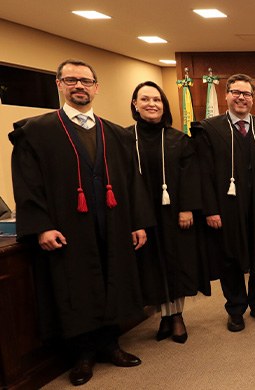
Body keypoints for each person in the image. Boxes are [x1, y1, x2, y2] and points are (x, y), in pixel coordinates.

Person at [9, 59, 151, 386]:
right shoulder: (37, 132)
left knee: (111, 277)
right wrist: (41, 225)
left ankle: (110, 344)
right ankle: (82, 355)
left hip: (112, 224)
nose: (79, 86)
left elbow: (132, 182)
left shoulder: (115, 134)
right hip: (67, 227)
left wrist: (138, 222)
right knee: (75, 285)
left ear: (96, 87)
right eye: (71, 80)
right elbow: (27, 183)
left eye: (86, 81)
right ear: (59, 84)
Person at [192, 74, 255, 332]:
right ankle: (236, 308)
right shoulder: (209, 129)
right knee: (230, 257)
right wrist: (210, 210)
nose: (241, 97)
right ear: (226, 95)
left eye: (247, 93)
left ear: (253, 98)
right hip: (227, 206)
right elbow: (202, 173)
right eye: (236, 92)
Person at [128, 81, 210, 344]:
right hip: (141, 214)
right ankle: (163, 316)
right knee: (152, 264)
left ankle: (177, 316)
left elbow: (190, 177)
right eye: (145, 99)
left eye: (157, 100)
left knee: (177, 263)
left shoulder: (178, 139)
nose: (151, 104)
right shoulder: (124, 138)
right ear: (135, 104)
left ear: (164, 105)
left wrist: (187, 208)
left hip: (175, 214)